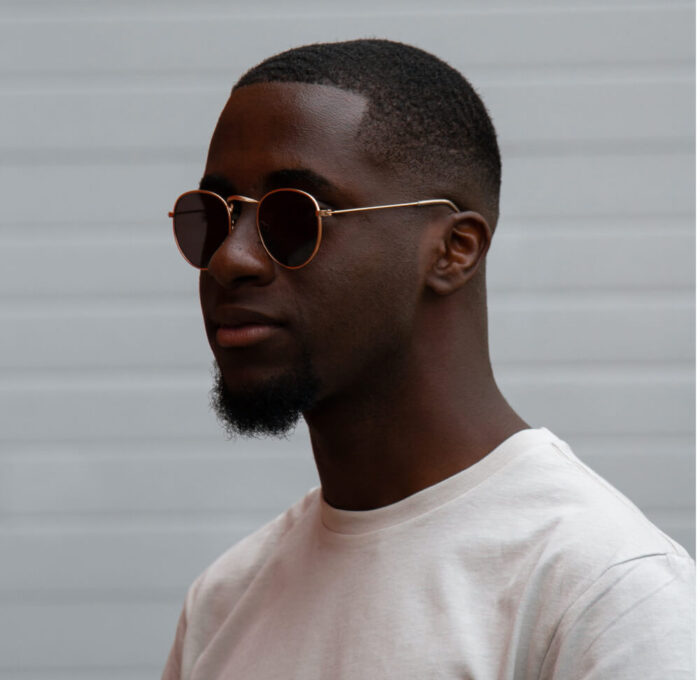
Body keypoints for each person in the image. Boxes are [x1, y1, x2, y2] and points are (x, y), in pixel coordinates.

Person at [162, 39, 694, 679]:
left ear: (454, 250)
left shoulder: (604, 595)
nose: (230, 259)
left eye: (294, 216)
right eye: (213, 217)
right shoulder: (223, 602)